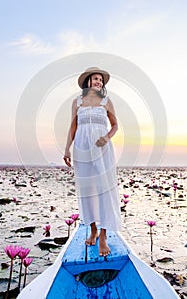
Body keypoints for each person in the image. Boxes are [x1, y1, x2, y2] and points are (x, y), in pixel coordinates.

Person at [63, 67, 121, 256]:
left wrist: (106, 137)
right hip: (81, 147)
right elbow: (73, 126)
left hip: (101, 147)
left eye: (101, 80)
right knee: (87, 189)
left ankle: (103, 235)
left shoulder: (106, 101)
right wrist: (67, 148)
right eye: (95, 78)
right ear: (87, 81)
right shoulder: (77, 102)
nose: (99, 82)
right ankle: (94, 228)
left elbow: (115, 125)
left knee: (104, 188)